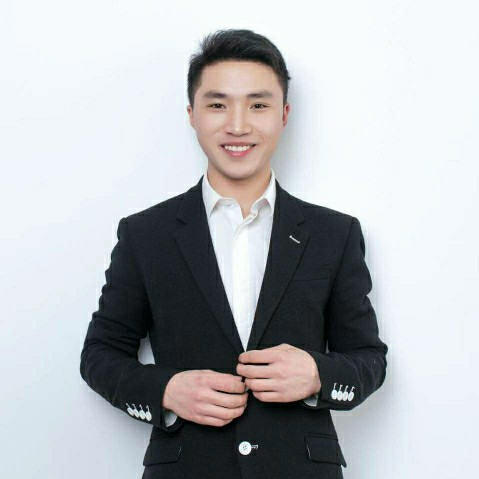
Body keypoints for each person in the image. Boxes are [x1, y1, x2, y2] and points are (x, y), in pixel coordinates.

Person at [80, 28, 388, 479]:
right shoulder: (146, 234)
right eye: (218, 104)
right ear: (192, 114)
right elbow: (100, 353)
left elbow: (368, 358)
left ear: (284, 115)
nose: (238, 125)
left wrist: (317, 374)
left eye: (258, 105)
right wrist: (166, 390)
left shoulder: (334, 234)